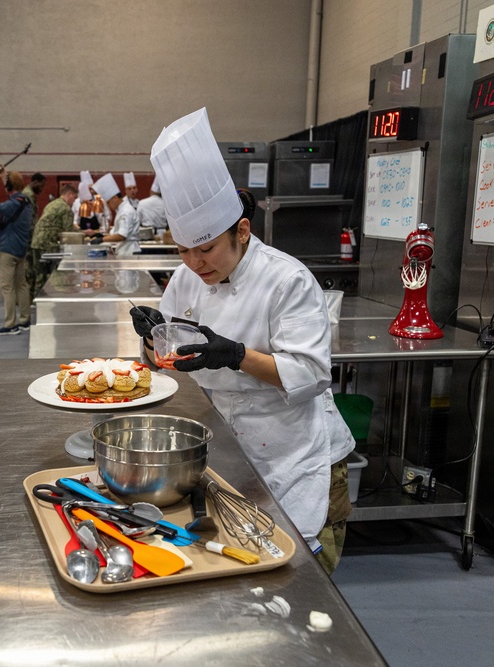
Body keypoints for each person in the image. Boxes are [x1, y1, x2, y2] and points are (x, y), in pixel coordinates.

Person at [131, 108, 354, 575]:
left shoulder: (287, 280)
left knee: (301, 576)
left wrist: (235, 355)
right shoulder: (187, 278)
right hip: (228, 449)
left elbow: (311, 375)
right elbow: (165, 359)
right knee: (235, 567)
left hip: (294, 449)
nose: (195, 263)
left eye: (206, 248)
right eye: (183, 250)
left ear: (242, 231)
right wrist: (152, 340)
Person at [0, 170, 33, 335]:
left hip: (7, 250)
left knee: (7, 287)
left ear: (9, 187)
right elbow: (10, 194)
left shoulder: (14, 203)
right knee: (22, 285)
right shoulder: (26, 201)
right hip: (20, 249)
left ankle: (10, 324)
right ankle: (25, 320)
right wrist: (4, 177)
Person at [30, 183, 77, 299]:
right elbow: (68, 233)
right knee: (50, 275)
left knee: (39, 275)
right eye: (74, 197)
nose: (74, 201)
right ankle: (45, 300)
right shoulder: (66, 209)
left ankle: (34, 300)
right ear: (69, 194)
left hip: (36, 242)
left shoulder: (52, 204)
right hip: (48, 244)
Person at [94, 172, 140, 256]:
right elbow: (117, 232)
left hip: (129, 251)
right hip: (124, 250)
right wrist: (101, 236)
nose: (108, 205)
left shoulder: (126, 211)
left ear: (115, 198)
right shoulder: (121, 210)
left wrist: (102, 240)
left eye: (108, 202)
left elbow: (121, 235)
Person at [22, 172, 46, 300]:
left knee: (31, 269)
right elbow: (29, 220)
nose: (42, 189)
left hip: (30, 236)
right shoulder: (28, 196)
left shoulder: (29, 194)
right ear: (36, 182)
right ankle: (28, 298)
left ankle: (28, 297)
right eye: (41, 186)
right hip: (28, 237)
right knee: (30, 270)